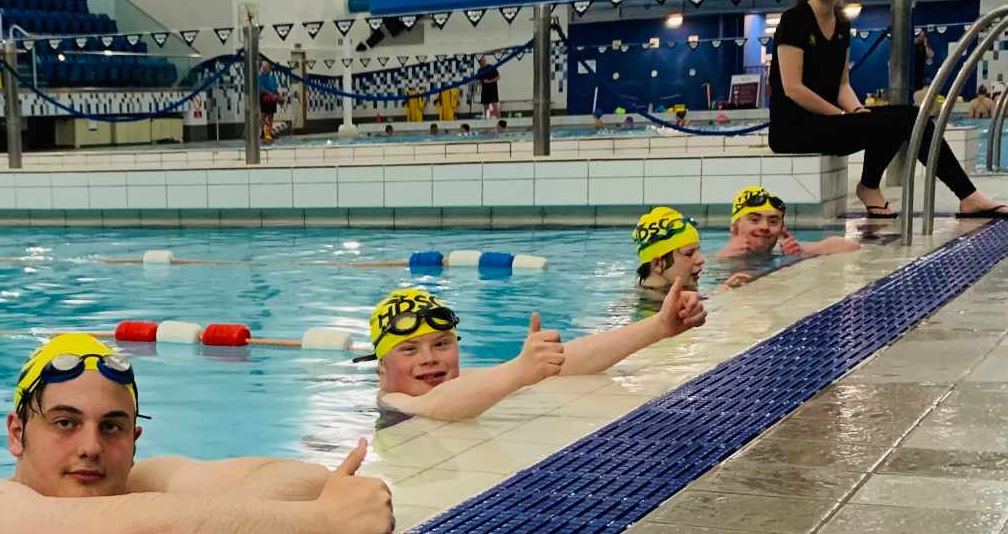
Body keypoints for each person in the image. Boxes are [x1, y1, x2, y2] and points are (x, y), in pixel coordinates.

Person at [0, 334, 394, 534]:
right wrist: (329, 524)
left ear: (134, 439)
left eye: (111, 427)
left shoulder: (143, 483)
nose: (91, 447)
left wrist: (179, 530)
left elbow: (300, 477)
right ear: (17, 433)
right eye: (65, 422)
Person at [769, 0, 1008, 220]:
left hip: (830, 122)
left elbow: (842, 85)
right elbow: (793, 88)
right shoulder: (794, 20)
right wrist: (843, 117)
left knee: (906, 117)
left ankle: (873, 187)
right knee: (904, 118)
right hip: (794, 129)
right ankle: (964, 196)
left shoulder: (841, 24)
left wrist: (857, 112)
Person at [360, 282, 706, 425]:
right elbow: (437, 408)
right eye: (409, 349)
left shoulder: (460, 383)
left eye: (441, 344)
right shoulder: (395, 402)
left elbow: (563, 360)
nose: (429, 358)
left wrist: (659, 327)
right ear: (381, 370)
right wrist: (518, 372)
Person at [714, 186, 859, 261]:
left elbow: (851, 246)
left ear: (782, 229)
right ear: (734, 227)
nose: (764, 227)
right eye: (754, 220)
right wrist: (723, 258)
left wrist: (802, 253)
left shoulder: (780, 252)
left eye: (773, 221)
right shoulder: (714, 260)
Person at [633, 205, 755, 294]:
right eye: (689, 254)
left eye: (697, 251)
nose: (701, 259)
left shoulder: (663, 295)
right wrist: (717, 297)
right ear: (658, 264)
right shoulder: (648, 308)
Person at [258, 66, 281, 145]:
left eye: (267, 68)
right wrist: (271, 94)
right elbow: (262, 89)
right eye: (264, 68)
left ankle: (269, 133)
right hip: (265, 98)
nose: (266, 70)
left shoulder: (272, 77)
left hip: (272, 99)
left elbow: (274, 88)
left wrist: (278, 95)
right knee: (263, 116)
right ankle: (262, 133)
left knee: (271, 116)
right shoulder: (261, 77)